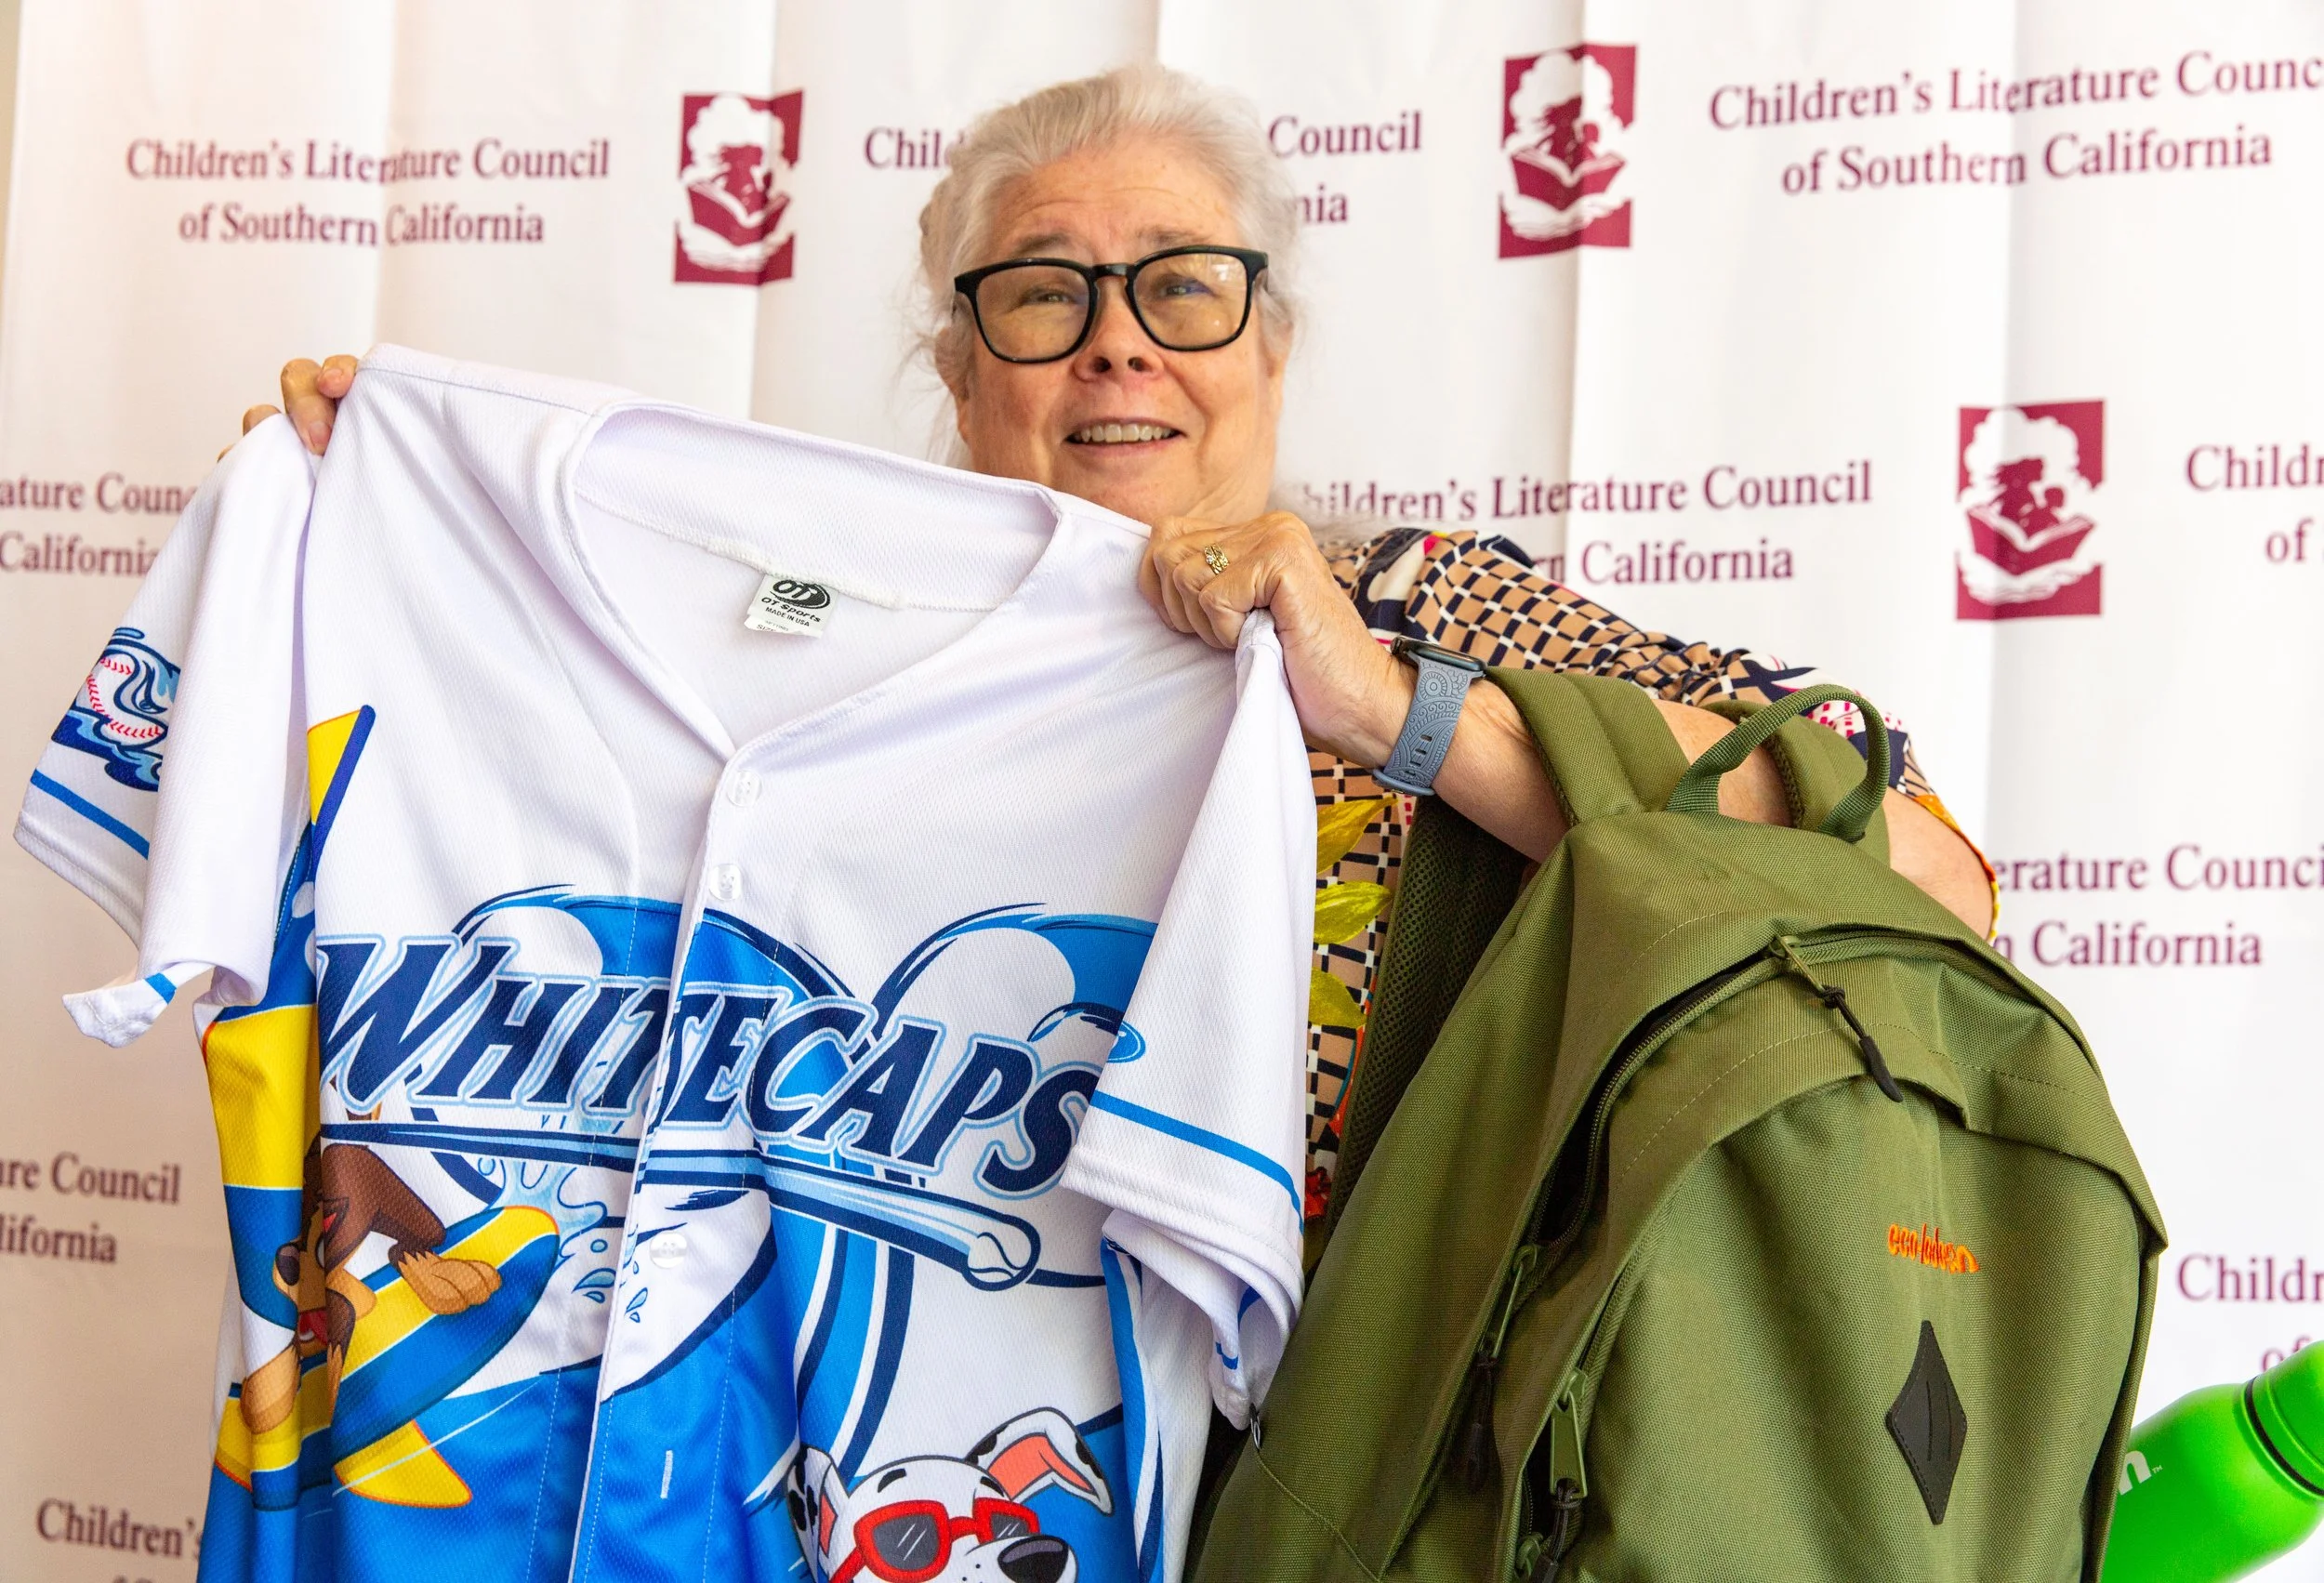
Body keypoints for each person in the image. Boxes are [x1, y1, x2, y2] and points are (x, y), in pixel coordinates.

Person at [241, 63, 1992, 1229]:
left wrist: (1387, 708)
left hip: (1331, 1492)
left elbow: (1921, 874)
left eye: (1181, 286)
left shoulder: (1419, 609)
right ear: (960, 368)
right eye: (1043, 291)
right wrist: (394, 519)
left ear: (1269, 348)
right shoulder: (806, 665)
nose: (1116, 348)